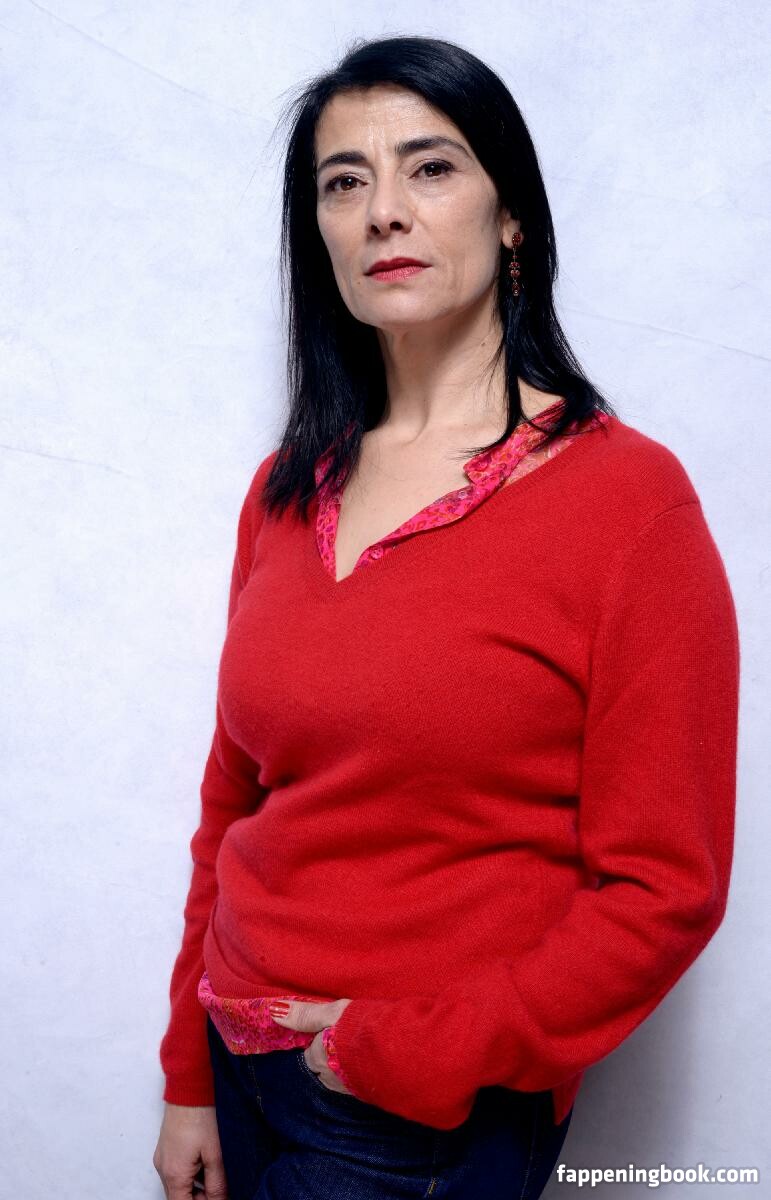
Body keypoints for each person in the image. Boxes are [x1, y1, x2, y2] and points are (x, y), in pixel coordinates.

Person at [153, 35, 740, 1200]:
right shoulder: (286, 490)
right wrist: (187, 1074)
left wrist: (407, 1050)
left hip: (419, 1115)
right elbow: (235, 804)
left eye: (430, 168)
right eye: (345, 181)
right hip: (238, 1060)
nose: (383, 210)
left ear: (511, 215)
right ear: (318, 232)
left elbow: (664, 887)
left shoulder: (628, 502)